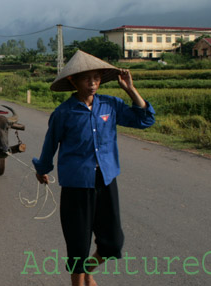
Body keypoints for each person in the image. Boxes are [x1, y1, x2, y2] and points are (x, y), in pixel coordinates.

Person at [32, 50, 155, 286]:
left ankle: (89, 270)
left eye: (97, 78)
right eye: (87, 78)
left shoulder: (110, 104)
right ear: (73, 81)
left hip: (106, 181)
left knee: (113, 242)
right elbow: (50, 146)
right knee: (78, 244)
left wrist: (130, 89)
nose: (92, 83)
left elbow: (145, 120)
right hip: (76, 185)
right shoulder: (63, 113)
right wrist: (42, 169)